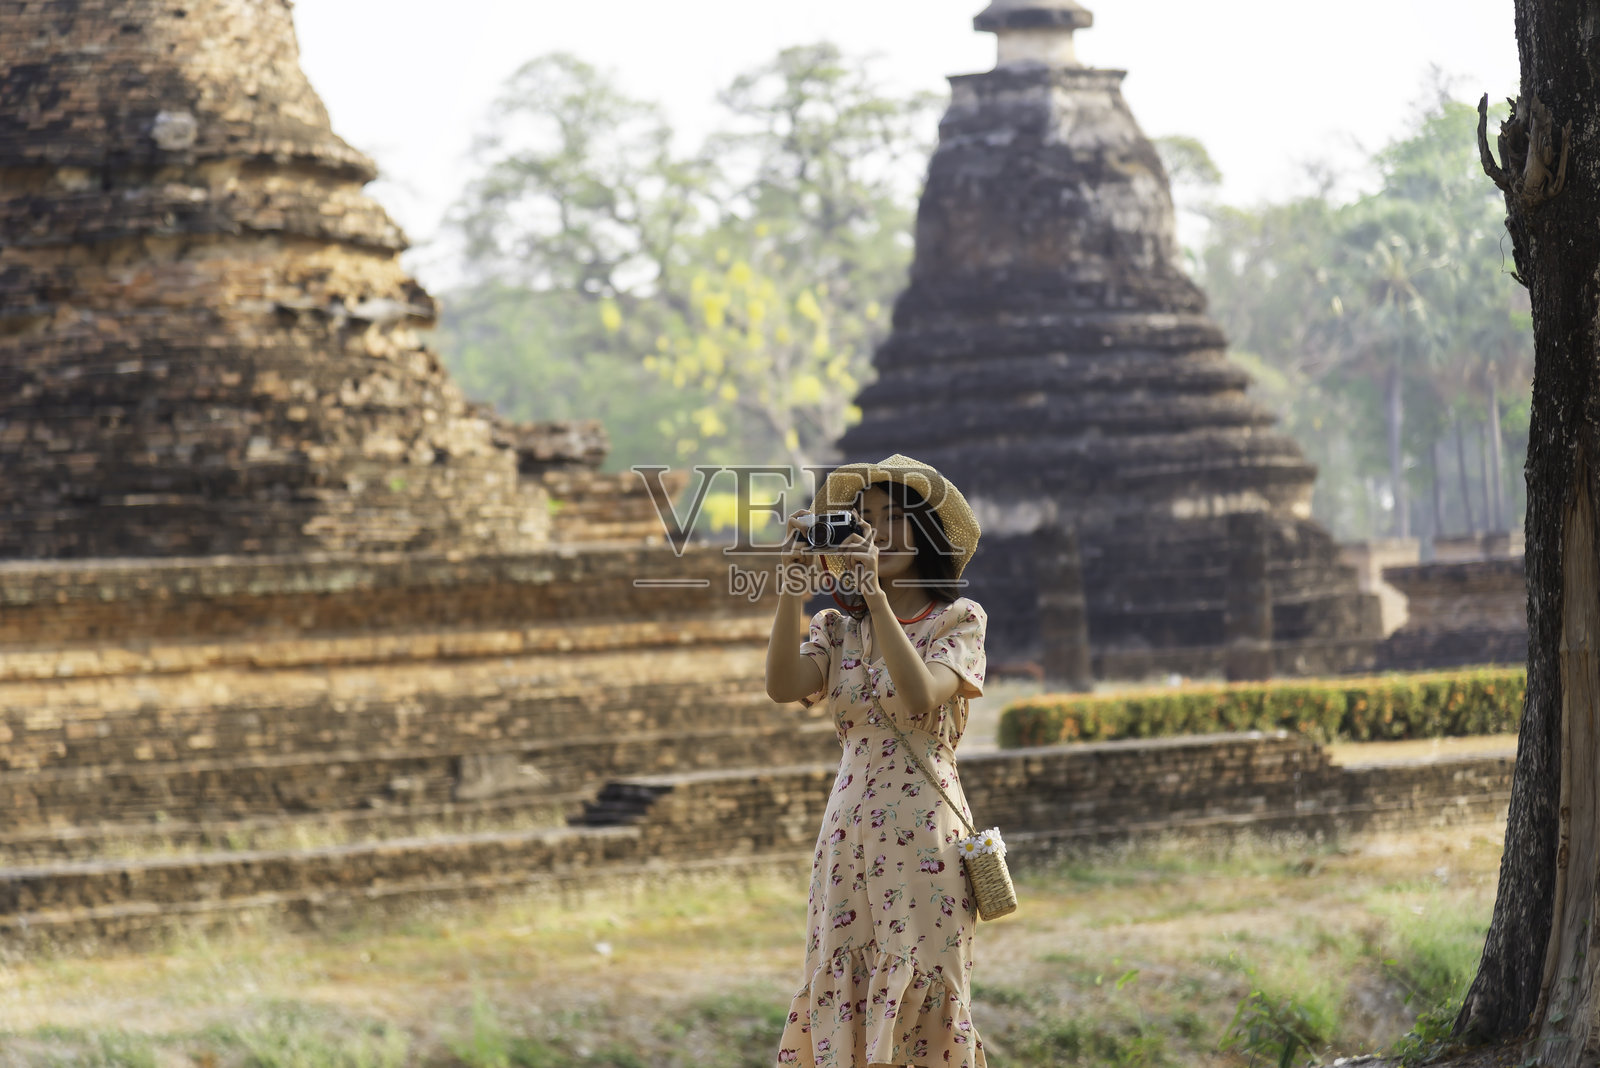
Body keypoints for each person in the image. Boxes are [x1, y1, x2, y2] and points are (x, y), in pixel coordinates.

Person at [766, 454, 990, 1068]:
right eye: (864, 519)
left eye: (895, 519)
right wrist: (791, 588)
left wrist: (877, 598)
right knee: (842, 981)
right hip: (847, 838)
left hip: (924, 839)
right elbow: (784, 684)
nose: (878, 533)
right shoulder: (837, 628)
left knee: (923, 984)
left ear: (927, 537)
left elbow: (919, 693)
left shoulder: (959, 619)